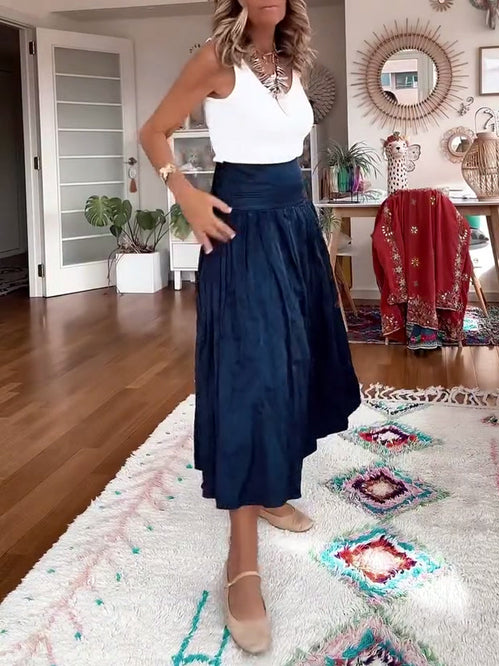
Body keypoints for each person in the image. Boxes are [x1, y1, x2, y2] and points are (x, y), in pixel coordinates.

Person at [140, 0, 360, 653]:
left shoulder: (293, 61)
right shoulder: (215, 59)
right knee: (251, 380)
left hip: (294, 226)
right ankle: (241, 562)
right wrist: (184, 193)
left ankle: (270, 490)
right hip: (241, 232)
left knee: (294, 365)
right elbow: (154, 132)